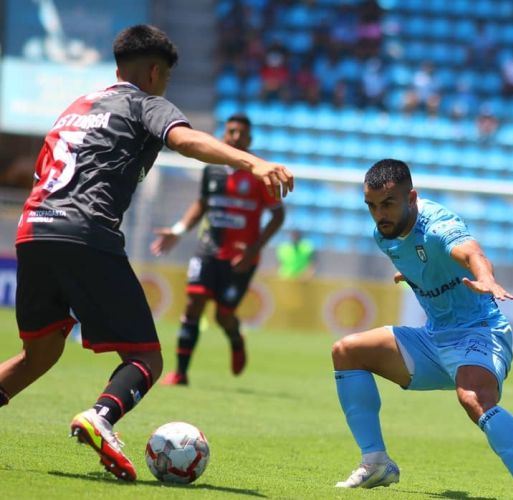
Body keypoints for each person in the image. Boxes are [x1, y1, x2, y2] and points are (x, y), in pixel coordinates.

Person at [0, 25, 293, 481]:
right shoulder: (145, 102)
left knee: (38, 355)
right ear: (155, 72)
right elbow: (184, 141)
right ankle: (100, 417)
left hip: (33, 230)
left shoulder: (77, 107)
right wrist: (251, 161)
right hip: (86, 232)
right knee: (146, 359)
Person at [331, 159, 513, 499]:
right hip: (434, 340)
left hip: (480, 332)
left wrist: (486, 278)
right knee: (346, 352)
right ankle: (375, 461)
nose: (379, 214)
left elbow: (470, 252)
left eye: (387, 204)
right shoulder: (384, 234)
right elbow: (427, 262)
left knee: (473, 398)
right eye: (372, 206)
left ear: (411, 197)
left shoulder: (438, 224)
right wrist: (414, 275)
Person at [150, 113, 285, 386]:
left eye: (240, 133)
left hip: (240, 258)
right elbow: (202, 204)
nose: (235, 137)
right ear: (224, 134)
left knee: (224, 316)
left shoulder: (259, 173)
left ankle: (236, 339)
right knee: (193, 305)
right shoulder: (212, 168)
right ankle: (180, 373)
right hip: (208, 250)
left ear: (249, 139)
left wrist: (252, 251)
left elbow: (278, 215)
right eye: (230, 131)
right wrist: (178, 230)